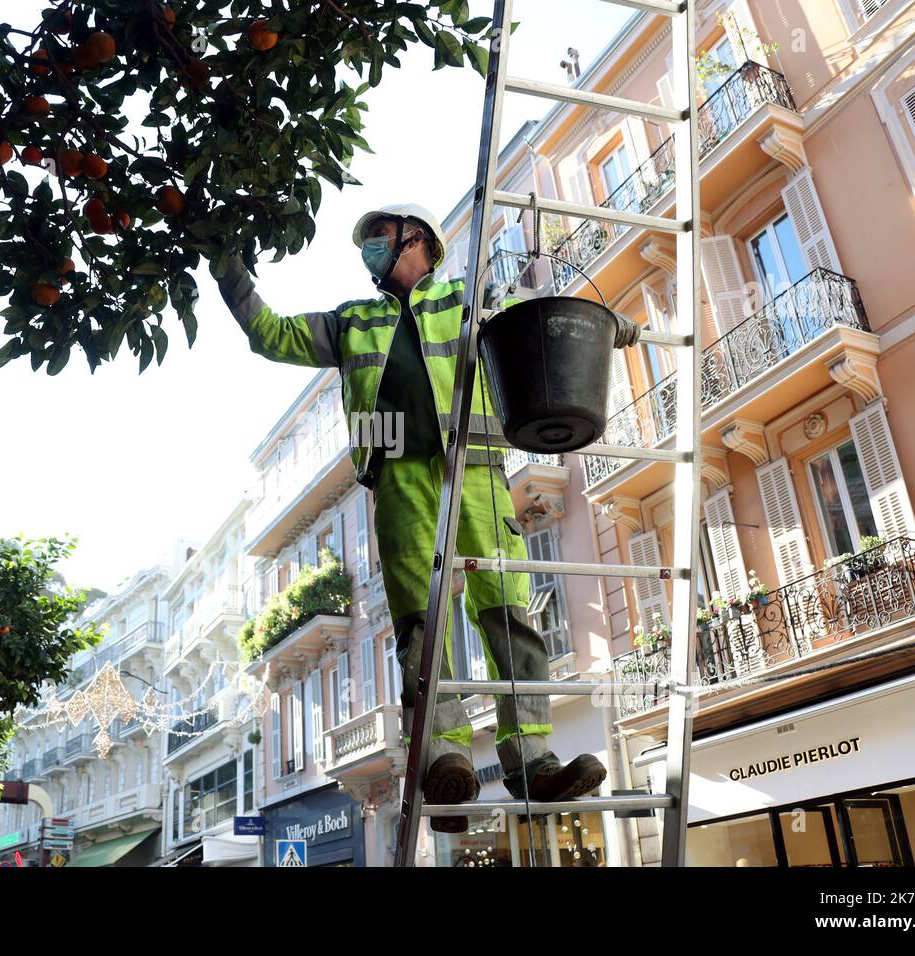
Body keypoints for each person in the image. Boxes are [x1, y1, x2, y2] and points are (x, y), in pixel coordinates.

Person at [211, 203, 638, 833]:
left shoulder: (469, 299)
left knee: (509, 611)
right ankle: (447, 757)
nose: (370, 255)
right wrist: (228, 270)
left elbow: (542, 322)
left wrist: (612, 326)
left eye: (379, 241)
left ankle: (531, 759)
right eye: (368, 247)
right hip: (399, 478)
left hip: (476, 466)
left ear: (420, 243)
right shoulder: (352, 320)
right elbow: (270, 334)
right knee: (421, 624)